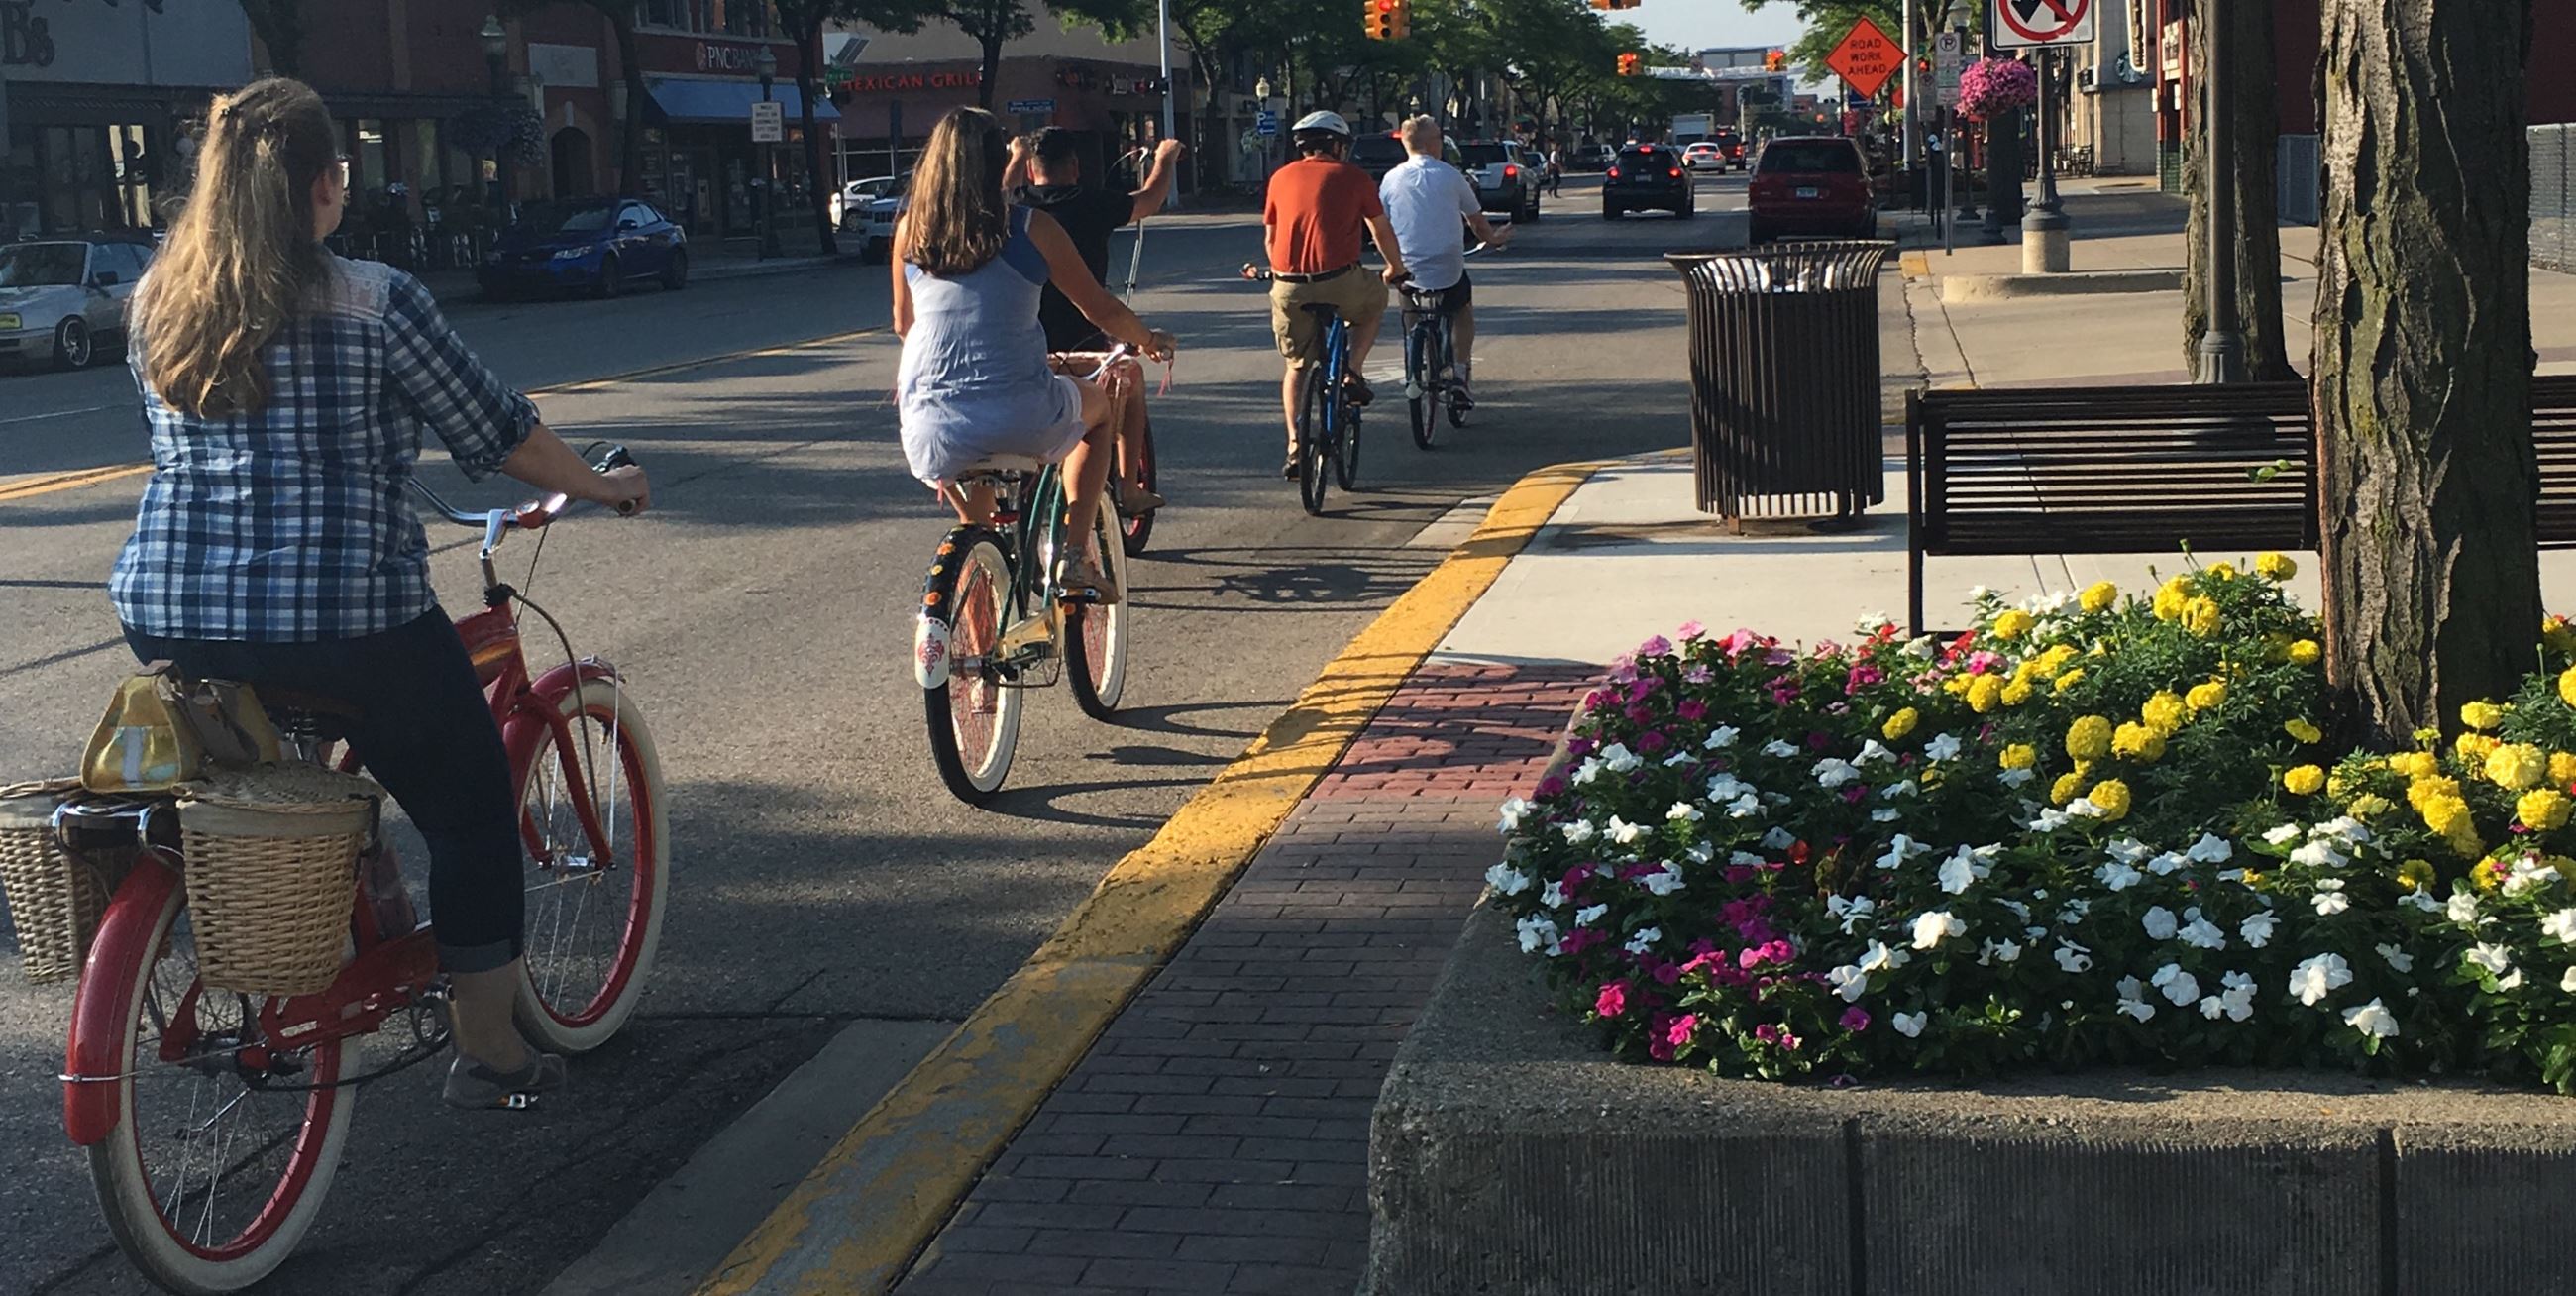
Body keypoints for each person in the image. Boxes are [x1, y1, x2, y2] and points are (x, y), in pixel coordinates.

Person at [108, 77, 650, 1112]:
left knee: (278, 755)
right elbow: (498, 435)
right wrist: (604, 484)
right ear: (322, 182)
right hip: (344, 620)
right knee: (469, 809)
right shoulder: (371, 297)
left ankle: (322, 901)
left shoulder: (154, 302)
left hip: (170, 609)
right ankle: (489, 1052)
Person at [891, 106, 1174, 601]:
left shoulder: (909, 231)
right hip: (1022, 410)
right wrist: (1149, 340)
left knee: (977, 523)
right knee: (1101, 411)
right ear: (999, 161)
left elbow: (903, 324)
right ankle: (1072, 554)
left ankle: (980, 585)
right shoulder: (1029, 227)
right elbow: (1100, 309)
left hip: (930, 427)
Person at [1006, 128, 1182, 516]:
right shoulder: (1090, 202)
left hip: (1019, 350)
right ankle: (1127, 486)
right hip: (1080, 345)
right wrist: (1165, 159)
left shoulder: (1015, 210)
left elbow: (1003, 191)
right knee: (1129, 379)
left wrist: (1016, 156)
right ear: (1074, 166)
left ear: (1032, 172)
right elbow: (1148, 201)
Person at [1257, 110, 1408, 479]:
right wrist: (1395, 269)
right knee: (1374, 303)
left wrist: (1281, 271)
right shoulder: (1354, 178)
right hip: (1340, 279)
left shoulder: (1279, 178)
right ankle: (1352, 373)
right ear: (1338, 146)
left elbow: (1271, 238)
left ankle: (1295, 445)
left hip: (1288, 283)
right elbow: (1380, 231)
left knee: (1295, 365)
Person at [1379, 115, 1509, 408]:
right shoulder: (1451, 176)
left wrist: (1390, 262)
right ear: (1430, 143)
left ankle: (1415, 350)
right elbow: (1476, 222)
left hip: (1408, 264)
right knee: (1462, 308)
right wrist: (1493, 239)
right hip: (1447, 265)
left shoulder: (1390, 179)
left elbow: (1382, 224)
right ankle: (1460, 374)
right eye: (1438, 137)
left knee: (1408, 300)